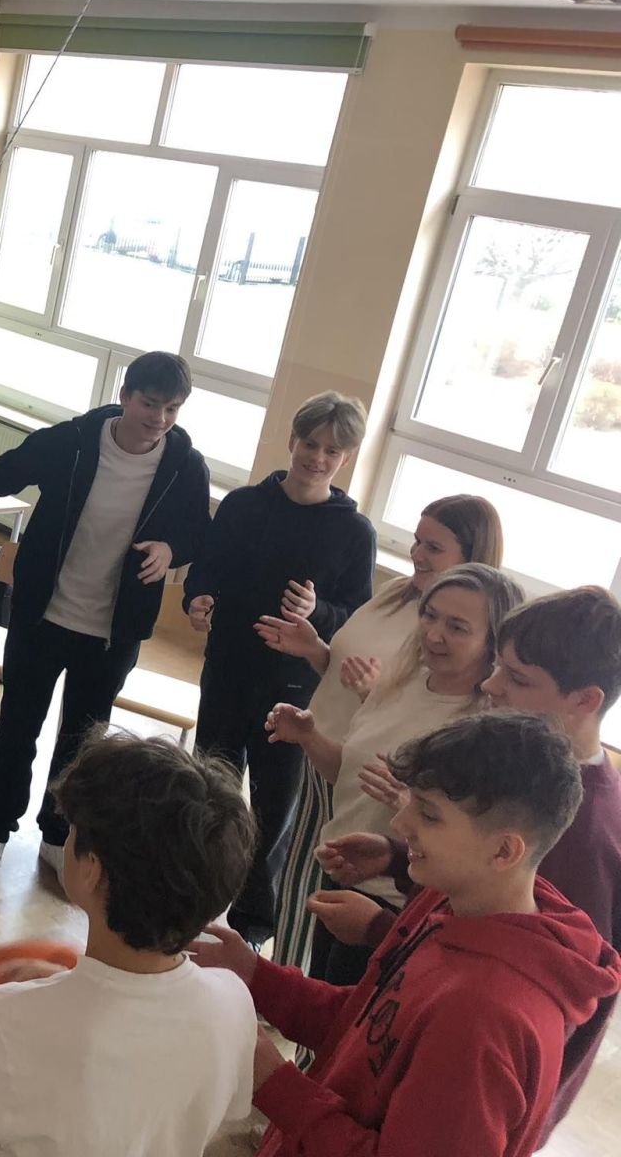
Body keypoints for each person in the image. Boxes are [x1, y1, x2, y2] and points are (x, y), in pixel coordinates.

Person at [191, 712, 621, 1157]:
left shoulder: (484, 1021)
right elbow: (372, 1026)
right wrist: (256, 975)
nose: (399, 823)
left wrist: (275, 1084)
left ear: (504, 850)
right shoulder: (450, 903)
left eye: (429, 815)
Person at [317, 586, 621, 1143]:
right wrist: (396, 857)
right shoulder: (520, 769)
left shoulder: (588, 836)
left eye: (517, 678)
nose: (490, 685)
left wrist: (382, 929)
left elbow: (549, 994)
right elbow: (487, 888)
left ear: (584, 700)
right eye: (498, 666)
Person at [0, 351, 211, 893]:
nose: (159, 419)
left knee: (84, 744)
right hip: (44, 616)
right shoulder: (76, 441)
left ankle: (59, 837)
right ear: (125, 395)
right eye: (150, 404)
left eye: (172, 409)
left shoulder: (185, 466)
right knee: (17, 729)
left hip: (112, 633)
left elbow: (198, 533)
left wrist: (170, 549)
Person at [0, 731, 259, 1156]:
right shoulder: (234, 1001)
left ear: (92, 869)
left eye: (72, 832)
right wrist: (70, 990)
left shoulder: (0, 1021)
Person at [253, 495, 502, 972]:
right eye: (431, 617)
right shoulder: (402, 651)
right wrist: (310, 729)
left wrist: (409, 805)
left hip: (392, 892)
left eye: (456, 627)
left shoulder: (477, 725)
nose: (434, 634)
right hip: (348, 845)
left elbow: (471, 842)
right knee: (308, 928)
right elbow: (353, 762)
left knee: (346, 987)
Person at [183, 390, 376, 945]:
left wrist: (320, 612)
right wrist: (197, 598)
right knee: (212, 791)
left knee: (274, 810)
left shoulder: (354, 532)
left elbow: (355, 614)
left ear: (346, 458)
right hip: (227, 670)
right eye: (310, 444)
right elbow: (207, 569)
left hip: (294, 689)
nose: (318, 457)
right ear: (292, 440)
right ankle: (193, 898)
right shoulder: (243, 505)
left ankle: (252, 925)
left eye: (332, 451)